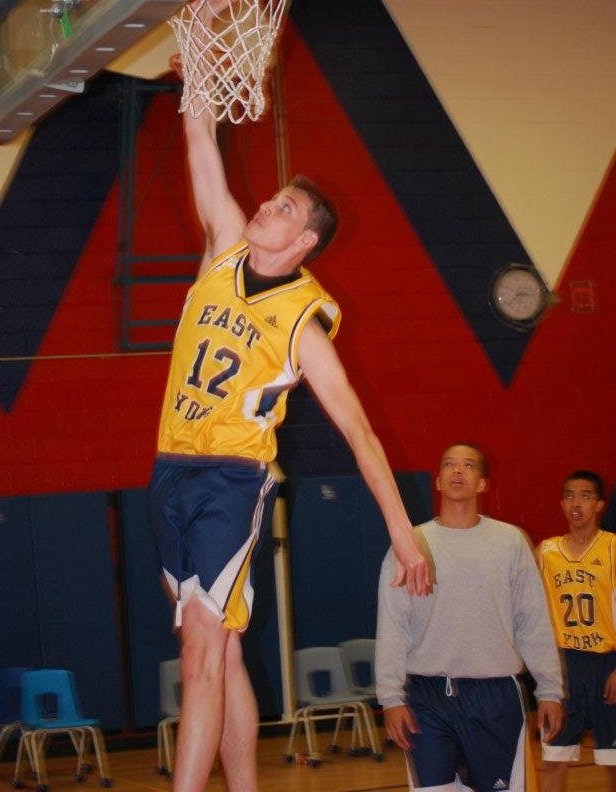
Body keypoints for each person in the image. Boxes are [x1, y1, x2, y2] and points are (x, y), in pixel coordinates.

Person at [149, 100, 431, 792]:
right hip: (168, 469)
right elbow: (196, 135)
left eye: (281, 207)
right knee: (224, 650)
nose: (265, 207)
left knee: (198, 654)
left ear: (303, 239)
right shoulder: (222, 248)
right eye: (271, 198)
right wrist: (201, 56)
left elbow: (358, 429)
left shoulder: (305, 320)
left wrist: (402, 530)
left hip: (231, 480)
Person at [376, 442, 564, 792]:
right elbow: (393, 627)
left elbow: (532, 621)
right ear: (438, 481)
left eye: (467, 465)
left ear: (482, 484)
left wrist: (550, 689)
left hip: (495, 697)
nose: (457, 471)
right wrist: (390, 698)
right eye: (449, 464)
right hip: (427, 698)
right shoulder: (409, 544)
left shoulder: (510, 542)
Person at [537, 470, 615, 792]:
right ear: (561, 503)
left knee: (613, 761)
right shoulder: (545, 552)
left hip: (607, 663)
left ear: (599, 504)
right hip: (564, 666)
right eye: (569, 495)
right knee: (553, 759)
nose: (576, 503)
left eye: (585, 496)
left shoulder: (612, 548)